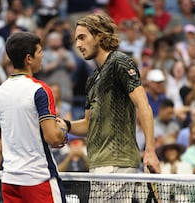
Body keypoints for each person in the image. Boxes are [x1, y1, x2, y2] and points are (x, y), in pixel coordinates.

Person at [59, 13, 160, 202]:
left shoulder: (120, 62)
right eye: (76, 40)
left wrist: (150, 151)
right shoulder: (92, 79)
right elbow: (89, 125)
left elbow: (144, 106)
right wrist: (66, 125)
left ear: (100, 36)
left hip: (117, 163)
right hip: (98, 163)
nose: (78, 45)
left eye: (82, 37)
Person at [0, 32, 67, 203]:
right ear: (29, 58)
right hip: (38, 179)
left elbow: (4, 137)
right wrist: (63, 131)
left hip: (10, 180)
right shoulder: (40, 90)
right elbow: (53, 138)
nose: (43, 56)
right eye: (40, 52)